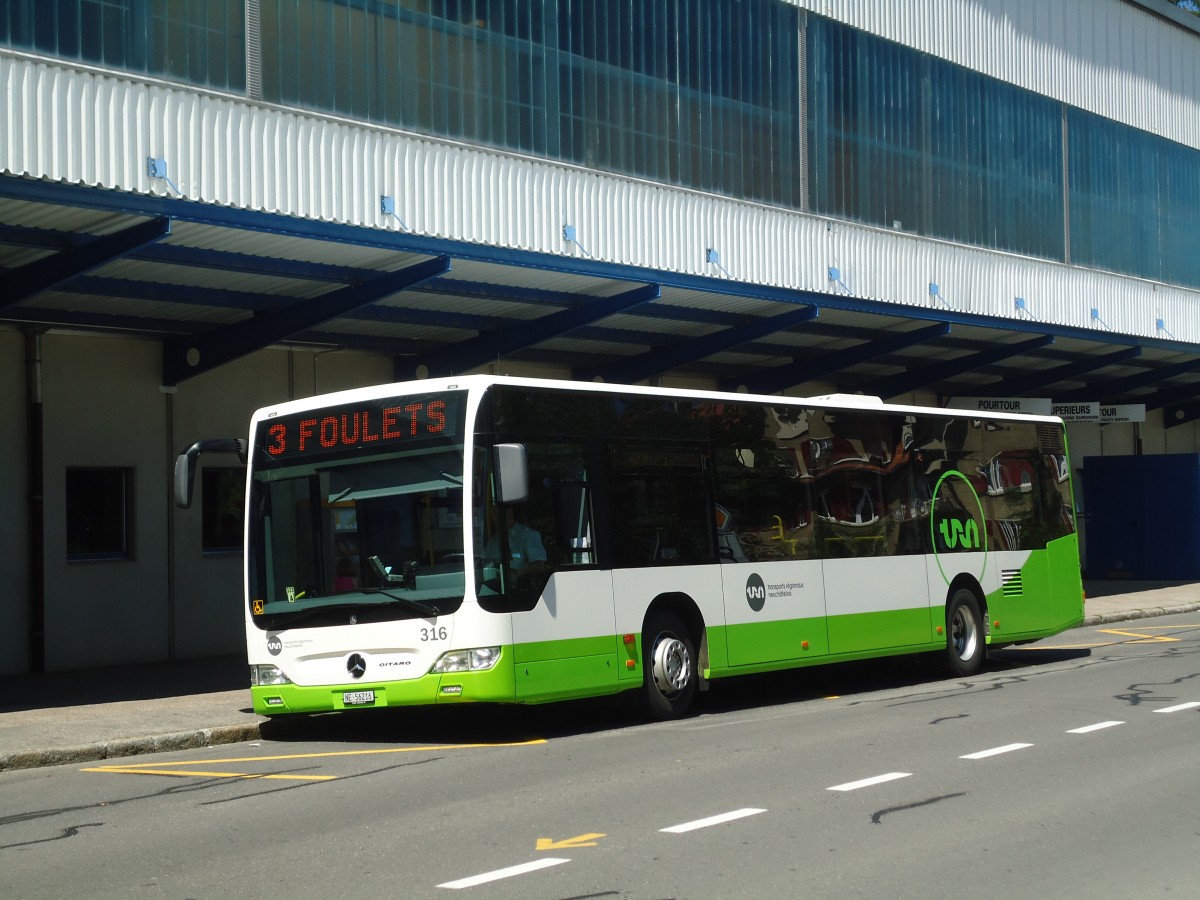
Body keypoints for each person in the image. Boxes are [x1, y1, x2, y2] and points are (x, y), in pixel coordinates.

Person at [484, 506, 547, 570]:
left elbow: (540, 566)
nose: (493, 519)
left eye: (495, 514)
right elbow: (485, 567)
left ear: (510, 512)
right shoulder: (492, 542)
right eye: (492, 516)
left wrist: (519, 574)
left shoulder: (528, 535)